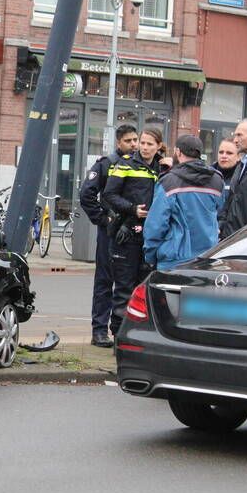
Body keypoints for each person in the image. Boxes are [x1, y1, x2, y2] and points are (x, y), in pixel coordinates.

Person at [79, 124, 139, 348]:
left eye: (136, 140)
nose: (133, 145)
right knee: (105, 281)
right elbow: (86, 194)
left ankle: (121, 329)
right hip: (111, 232)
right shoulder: (106, 164)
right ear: (118, 142)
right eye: (129, 141)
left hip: (132, 232)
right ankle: (99, 331)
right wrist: (103, 220)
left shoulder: (140, 165)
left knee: (127, 284)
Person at [103, 126, 163, 336]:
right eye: (142, 143)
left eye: (149, 144)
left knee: (143, 287)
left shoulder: (161, 168)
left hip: (150, 235)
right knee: (123, 287)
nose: (144, 147)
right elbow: (109, 194)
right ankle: (119, 334)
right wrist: (132, 209)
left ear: (158, 146)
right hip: (126, 233)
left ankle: (137, 333)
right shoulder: (125, 163)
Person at [143, 134, 224, 271]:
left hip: (174, 260)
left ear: (178, 152)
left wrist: (150, 256)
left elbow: (156, 225)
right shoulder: (216, 179)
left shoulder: (168, 182)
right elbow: (219, 213)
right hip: (207, 257)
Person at [211, 137, 238, 204]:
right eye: (221, 152)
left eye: (229, 153)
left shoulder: (244, 178)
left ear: (239, 157)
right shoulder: (207, 175)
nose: (224, 156)